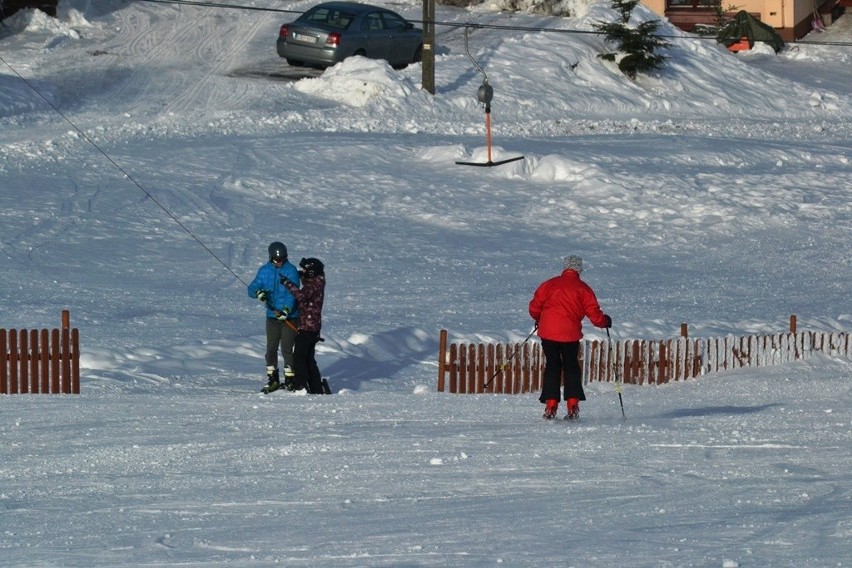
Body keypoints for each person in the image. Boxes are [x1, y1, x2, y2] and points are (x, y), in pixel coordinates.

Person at [528, 255, 612, 420]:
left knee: (552, 367)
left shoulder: (549, 284)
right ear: (578, 269)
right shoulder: (583, 288)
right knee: (571, 366)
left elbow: (534, 307)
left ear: (565, 267)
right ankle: (573, 405)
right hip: (570, 334)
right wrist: (605, 321)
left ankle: (551, 406)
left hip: (548, 333)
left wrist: (540, 318)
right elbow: (595, 315)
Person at [247, 241, 300, 393]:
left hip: (290, 317)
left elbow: (293, 293)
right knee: (271, 349)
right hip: (272, 317)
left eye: (282, 259)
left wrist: (286, 310)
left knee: (286, 349)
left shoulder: (291, 271)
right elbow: (251, 289)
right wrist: (258, 293)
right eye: (277, 260)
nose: (279, 262)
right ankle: (273, 378)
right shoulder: (264, 271)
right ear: (270, 258)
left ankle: (290, 379)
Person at [281, 257, 327, 395]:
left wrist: (287, 283)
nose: (303, 271)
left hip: (308, 328)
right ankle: (316, 387)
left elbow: (301, 296)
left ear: (312, 272)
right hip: (312, 328)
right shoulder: (316, 282)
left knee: (299, 357)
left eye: (305, 270)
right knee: (308, 359)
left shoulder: (314, 285)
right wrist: (298, 274)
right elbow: (306, 283)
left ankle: (301, 384)